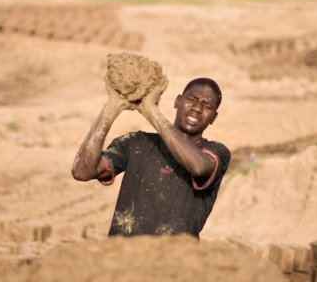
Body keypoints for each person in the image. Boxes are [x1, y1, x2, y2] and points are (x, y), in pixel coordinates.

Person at [72, 75, 229, 238]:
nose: (197, 108)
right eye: (192, 99)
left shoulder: (216, 152)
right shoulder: (136, 143)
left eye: (207, 106)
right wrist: (110, 108)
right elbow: (81, 172)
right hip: (122, 258)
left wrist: (151, 111)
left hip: (176, 260)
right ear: (177, 101)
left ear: (214, 118)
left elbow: (198, 167)